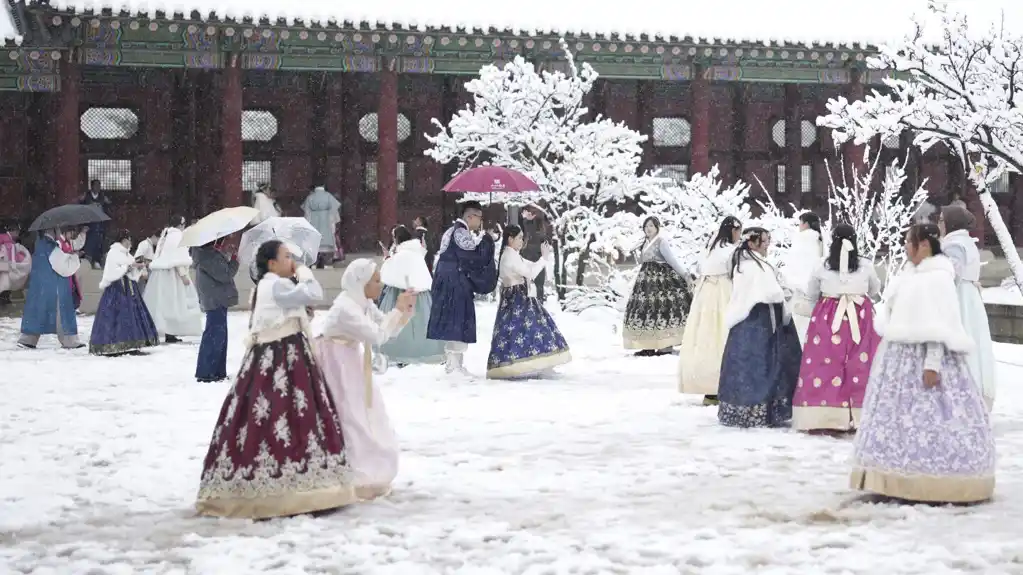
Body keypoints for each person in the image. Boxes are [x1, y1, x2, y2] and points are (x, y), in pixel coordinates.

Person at [196, 240, 358, 518]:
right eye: (286, 256)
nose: (291, 260)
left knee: (261, 416)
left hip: (268, 354)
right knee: (290, 413)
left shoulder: (267, 286)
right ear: (271, 264)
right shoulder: (277, 284)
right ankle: (292, 487)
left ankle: (261, 484)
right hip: (283, 355)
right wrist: (305, 272)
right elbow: (315, 292)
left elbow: (291, 307)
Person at [851, 224, 994, 504]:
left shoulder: (937, 278)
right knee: (899, 418)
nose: (905, 246)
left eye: (909, 242)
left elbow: (937, 326)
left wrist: (932, 364)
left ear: (924, 245)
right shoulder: (913, 274)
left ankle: (933, 480)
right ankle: (893, 475)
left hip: (924, 359)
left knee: (931, 417)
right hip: (900, 358)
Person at [314, 259, 416, 500]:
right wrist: (398, 310)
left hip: (348, 360)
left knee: (362, 412)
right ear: (362, 282)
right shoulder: (346, 308)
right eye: (376, 280)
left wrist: (404, 312)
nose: (381, 286)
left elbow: (384, 327)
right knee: (348, 415)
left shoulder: (363, 303)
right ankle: (351, 471)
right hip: (335, 363)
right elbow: (377, 335)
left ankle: (367, 467)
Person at [792, 224, 881, 433]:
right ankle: (861, 414)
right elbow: (875, 289)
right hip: (860, 317)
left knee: (826, 365)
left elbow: (812, 293)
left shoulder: (821, 266)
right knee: (861, 365)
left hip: (828, 317)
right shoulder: (865, 266)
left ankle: (824, 416)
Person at [717, 228, 801, 428]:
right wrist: (784, 293)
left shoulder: (744, 263)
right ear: (753, 243)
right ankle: (764, 410)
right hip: (760, 320)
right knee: (764, 365)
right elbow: (771, 292)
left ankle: (743, 410)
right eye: (764, 241)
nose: (767, 245)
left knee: (746, 364)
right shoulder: (753, 266)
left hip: (746, 322)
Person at [487, 224, 571, 379]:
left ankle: (535, 364)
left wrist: (542, 259)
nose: (521, 241)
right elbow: (530, 272)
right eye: (519, 238)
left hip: (518, 297)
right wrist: (544, 258)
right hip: (517, 299)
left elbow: (529, 266)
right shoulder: (510, 255)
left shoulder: (511, 253)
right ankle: (525, 365)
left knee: (527, 330)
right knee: (533, 329)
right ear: (510, 239)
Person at [427, 201, 499, 375]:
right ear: (470, 216)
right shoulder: (460, 232)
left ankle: (454, 363)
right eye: (479, 217)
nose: (480, 221)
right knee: (457, 320)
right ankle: (454, 365)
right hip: (455, 282)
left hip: (448, 280)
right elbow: (473, 257)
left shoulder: (452, 231)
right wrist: (486, 241)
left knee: (453, 321)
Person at [678, 216, 741, 405]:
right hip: (724, 292)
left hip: (704, 296)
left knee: (706, 338)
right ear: (733, 230)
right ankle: (725, 383)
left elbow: (700, 268)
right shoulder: (732, 251)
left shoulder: (709, 250)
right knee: (724, 337)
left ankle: (708, 384)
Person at [939, 205, 996, 411]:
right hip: (969, 296)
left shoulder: (954, 245)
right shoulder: (964, 242)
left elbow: (950, 274)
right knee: (973, 340)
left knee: (958, 340)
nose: (939, 224)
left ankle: (961, 395)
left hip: (959, 297)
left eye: (942, 220)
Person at [622, 216, 693, 356]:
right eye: (646, 226)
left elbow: (671, 260)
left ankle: (665, 345)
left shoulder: (661, 242)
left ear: (657, 228)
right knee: (647, 311)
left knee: (662, 310)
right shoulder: (645, 243)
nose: (648, 229)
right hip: (645, 283)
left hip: (661, 281)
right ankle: (648, 345)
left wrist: (685, 275)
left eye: (651, 226)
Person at [377, 225, 445, 365]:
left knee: (400, 323)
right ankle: (425, 349)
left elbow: (390, 274)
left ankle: (400, 351)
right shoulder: (416, 252)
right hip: (421, 293)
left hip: (402, 294)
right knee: (422, 322)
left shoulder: (402, 254)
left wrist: (387, 259)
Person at [88, 230, 160, 356]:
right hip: (117, 289)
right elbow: (111, 272)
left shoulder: (126, 254)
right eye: (129, 240)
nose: (130, 243)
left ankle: (132, 343)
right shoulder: (113, 252)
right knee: (117, 316)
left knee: (130, 315)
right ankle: (112, 344)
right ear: (124, 240)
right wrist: (127, 268)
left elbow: (130, 266)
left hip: (129, 287)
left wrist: (136, 267)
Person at [18, 227, 86, 349]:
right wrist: (75, 257)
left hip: (39, 286)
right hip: (55, 286)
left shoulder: (40, 245)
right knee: (63, 313)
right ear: (52, 231)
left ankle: (28, 339)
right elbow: (63, 267)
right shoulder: (51, 247)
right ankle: (69, 340)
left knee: (36, 312)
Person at [144, 216, 202, 344]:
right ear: (180, 224)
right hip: (172, 273)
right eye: (183, 223)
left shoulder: (166, 235)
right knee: (174, 303)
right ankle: (170, 332)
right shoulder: (177, 236)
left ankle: (165, 331)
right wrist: (183, 275)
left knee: (163, 303)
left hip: (162, 273)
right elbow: (178, 258)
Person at [192, 238, 239, 382]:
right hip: (216, 300)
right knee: (215, 336)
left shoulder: (205, 255)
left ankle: (217, 371)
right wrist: (235, 261)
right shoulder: (208, 256)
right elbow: (225, 274)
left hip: (215, 299)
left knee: (218, 336)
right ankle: (208, 372)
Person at [784, 212, 824, 344]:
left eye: (800, 223)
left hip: (799, 290)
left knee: (798, 328)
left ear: (805, 224)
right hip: (817, 291)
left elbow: (794, 265)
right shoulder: (821, 240)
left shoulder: (801, 239)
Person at [302, 185, 342, 269]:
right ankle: (327, 263)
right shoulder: (328, 196)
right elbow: (334, 211)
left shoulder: (310, 197)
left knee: (314, 243)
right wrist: (333, 222)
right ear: (324, 186)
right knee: (327, 241)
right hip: (326, 221)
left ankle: (314, 264)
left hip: (314, 221)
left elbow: (307, 214)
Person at [519, 206, 549, 304]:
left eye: (525, 212)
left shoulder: (539, 224)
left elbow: (537, 236)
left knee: (538, 286)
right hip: (527, 257)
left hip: (536, 257)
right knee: (526, 287)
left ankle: (539, 307)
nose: (523, 215)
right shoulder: (526, 223)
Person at [80, 179, 111, 269]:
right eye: (96, 185)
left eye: (99, 186)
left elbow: (107, 210)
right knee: (89, 243)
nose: (98, 188)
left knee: (99, 243)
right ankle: (87, 261)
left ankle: (97, 260)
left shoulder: (102, 197)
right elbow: (81, 209)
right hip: (89, 224)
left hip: (99, 225)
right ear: (92, 186)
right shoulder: (87, 196)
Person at [0, 224, 31, 306]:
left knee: (6, 280)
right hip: (4, 264)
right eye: (17, 232)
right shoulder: (5, 238)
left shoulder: (8, 239)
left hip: (5, 264)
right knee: (5, 280)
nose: (17, 234)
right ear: (13, 231)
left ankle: (5, 298)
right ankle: (4, 299)